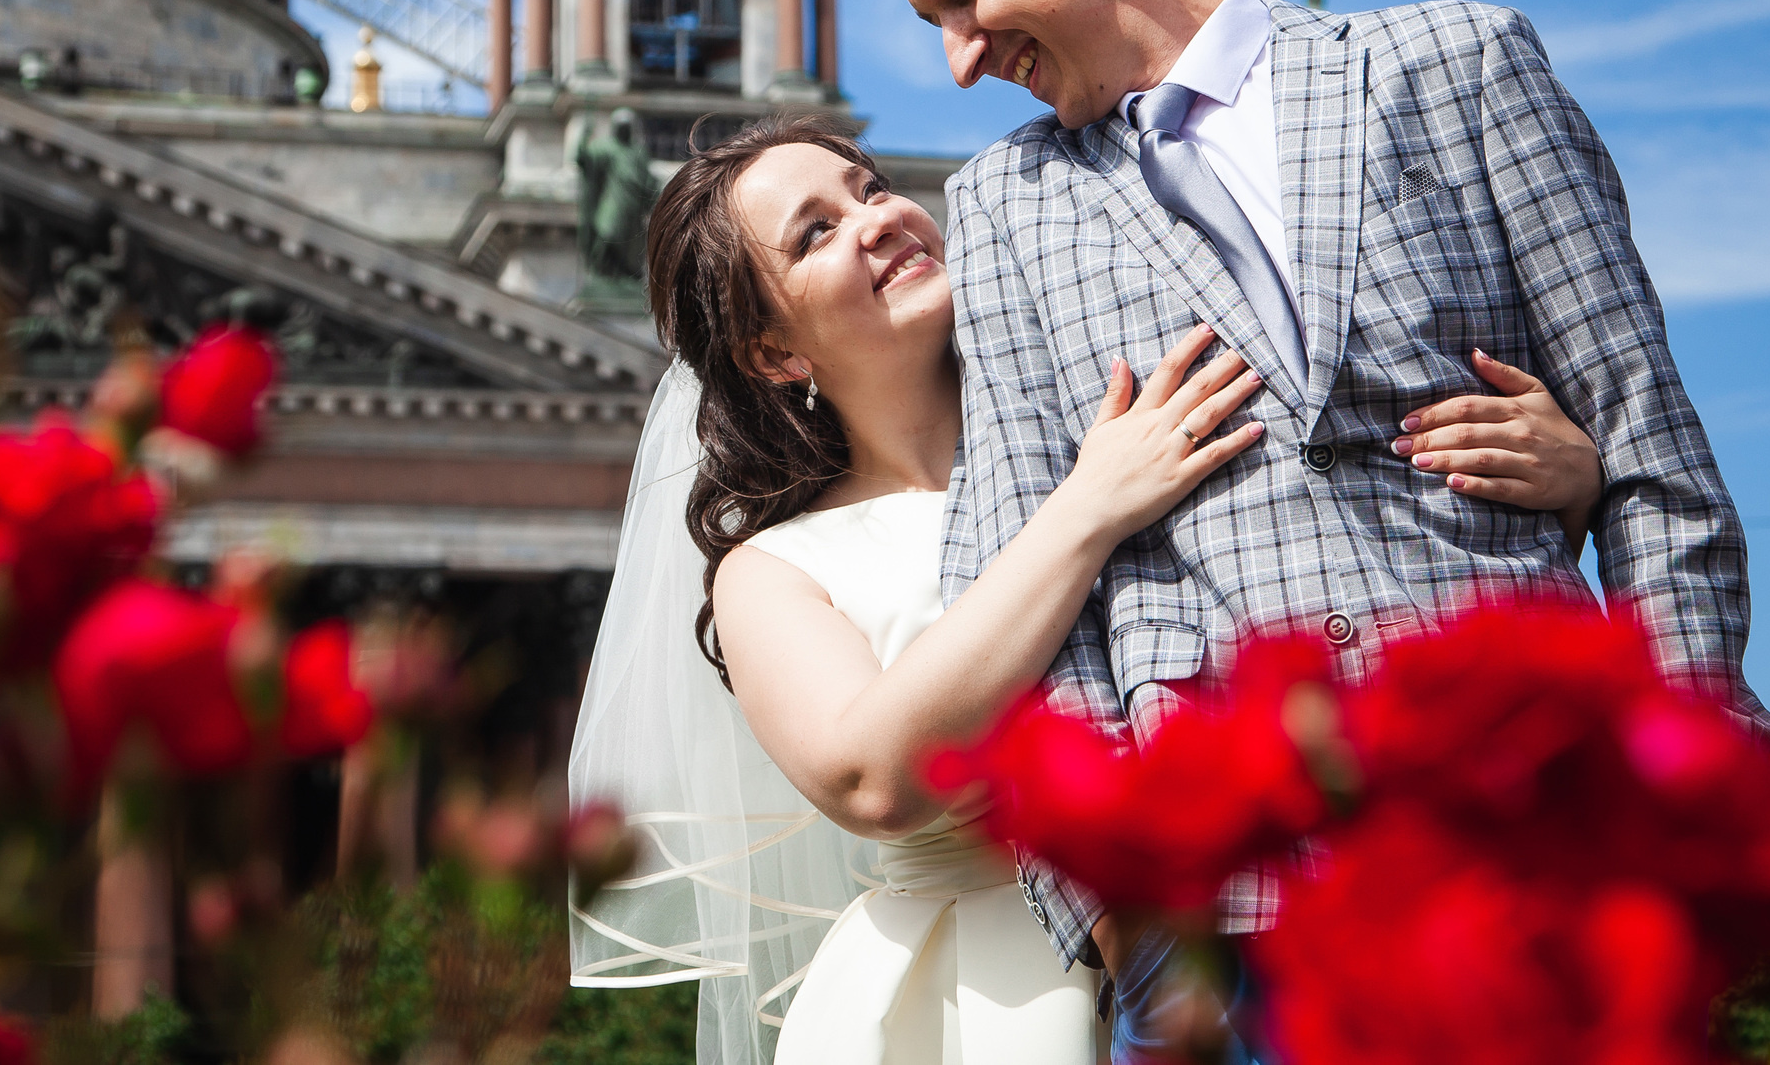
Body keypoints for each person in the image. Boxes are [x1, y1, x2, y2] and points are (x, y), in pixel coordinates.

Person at [858, 0, 1770, 1060]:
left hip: (1525, 851)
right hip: (1227, 927)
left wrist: (1671, 803)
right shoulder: (1005, 202)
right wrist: (1124, 916)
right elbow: (1011, 561)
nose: (959, 59)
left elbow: (1653, 466)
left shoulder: (1453, 67)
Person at [566, 114, 1592, 1065]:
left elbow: (1335, 529)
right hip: (972, 1001)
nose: (877, 218)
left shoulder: (1121, 416)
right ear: (773, 351)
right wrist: (1087, 508)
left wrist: (1570, 478)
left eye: (869, 188)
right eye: (816, 232)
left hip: (1254, 947)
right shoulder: (775, 569)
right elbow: (871, 778)